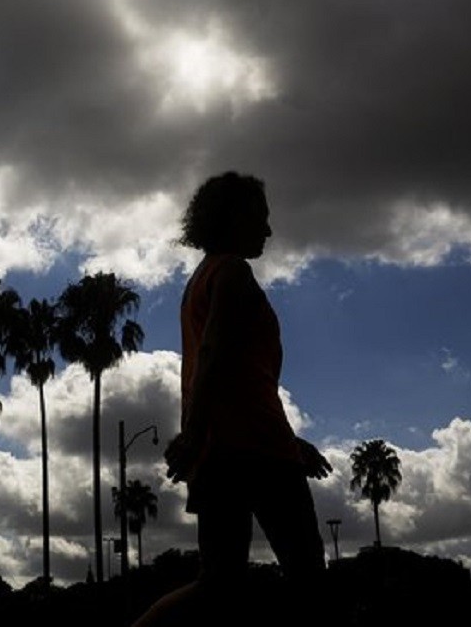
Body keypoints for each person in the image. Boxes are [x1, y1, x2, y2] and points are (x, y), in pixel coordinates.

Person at [130, 172, 332, 626]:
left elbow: (239, 374)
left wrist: (289, 440)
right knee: (308, 578)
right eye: (259, 218)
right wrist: (197, 431)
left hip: (227, 450)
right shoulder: (232, 272)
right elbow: (213, 353)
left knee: (220, 582)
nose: (267, 230)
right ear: (234, 218)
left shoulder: (201, 279)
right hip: (256, 451)